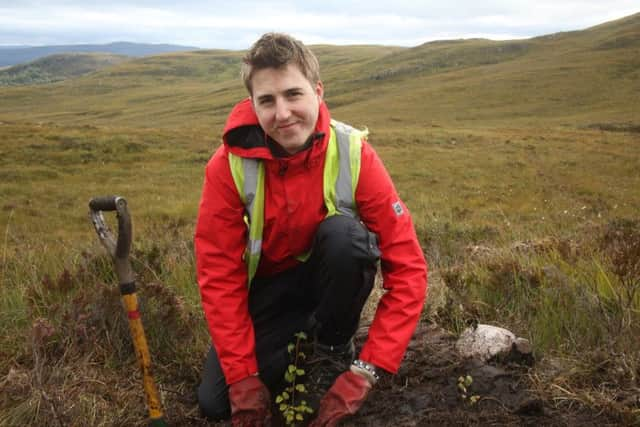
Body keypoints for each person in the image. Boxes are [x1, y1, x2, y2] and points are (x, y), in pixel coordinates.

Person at [194, 32, 427, 426]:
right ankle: (294, 340)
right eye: (267, 100)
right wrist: (241, 376)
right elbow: (218, 273)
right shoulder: (228, 164)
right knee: (216, 404)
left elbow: (409, 270)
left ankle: (333, 346)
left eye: (293, 94)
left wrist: (366, 371)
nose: (282, 113)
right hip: (269, 295)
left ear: (318, 91)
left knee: (345, 239)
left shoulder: (353, 152)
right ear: (252, 104)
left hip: (328, 279)